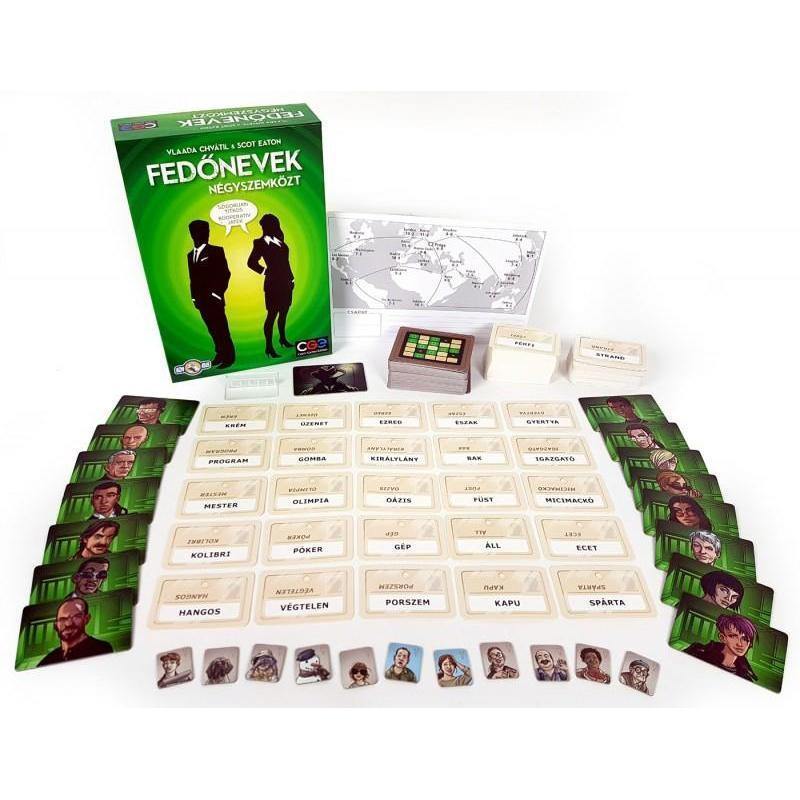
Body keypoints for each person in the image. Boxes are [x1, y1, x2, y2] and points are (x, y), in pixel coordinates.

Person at [187, 221, 235, 368]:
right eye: (203, 231)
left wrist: (217, 294)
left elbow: (225, 273)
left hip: (214, 300)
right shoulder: (190, 255)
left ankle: (229, 358)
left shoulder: (216, 251)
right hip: (200, 301)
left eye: (207, 230)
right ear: (193, 234)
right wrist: (193, 297)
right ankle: (220, 354)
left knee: (222, 329)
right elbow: (192, 278)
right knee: (212, 330)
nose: (207, 233)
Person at [247, 213, 294, 358]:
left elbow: (286, 263)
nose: (268, 228)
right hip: (273, 284)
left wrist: (292, 278)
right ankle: (269, 346)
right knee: (272, 315)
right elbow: (251, 262)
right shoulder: (259, 243)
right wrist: (265, 271)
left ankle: (282, 339)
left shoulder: (281, 242)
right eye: (267, 225)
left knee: (284, 313)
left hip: (287, 283)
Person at [37, 597, 113, 666]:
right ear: (56, 625)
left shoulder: (101, 649)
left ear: (86, 619)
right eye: (63, 619)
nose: (68, 623)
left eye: (76, 617)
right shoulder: (47, 662)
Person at [684, 614, 758, 682]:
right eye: (733, 636)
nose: (740, 643)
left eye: (745, 639)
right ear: (722, 638)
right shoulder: (698, 653)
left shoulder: (745, 677)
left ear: (750, 643)